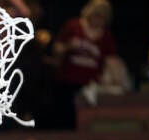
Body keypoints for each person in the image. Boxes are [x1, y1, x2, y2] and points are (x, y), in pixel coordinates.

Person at [50, 0, 119, 129]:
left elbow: (111, 61)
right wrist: (68, 46)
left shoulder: (106, 36)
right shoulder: (74, 26)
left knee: (85, 117)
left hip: (90, 85)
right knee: (64, 115)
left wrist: (114, 79)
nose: (97, 21)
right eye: (95, 17)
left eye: (101, 18)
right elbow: (57, 49)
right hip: (67, 81)